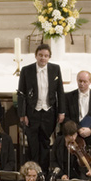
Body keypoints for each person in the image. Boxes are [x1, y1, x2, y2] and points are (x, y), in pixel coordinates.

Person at [17, 43, 65, 173]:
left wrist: (61, 111)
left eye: (46, 56)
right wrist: (23, 114)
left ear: (49, 57)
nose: (43, 58)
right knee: (33, 144)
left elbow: (60, 91)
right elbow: (21, 94)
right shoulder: (27, 70)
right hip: (32, 112)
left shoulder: (55, 69)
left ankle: (43, 172)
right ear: (36, 56)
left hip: (48, 113)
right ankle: (32, 172)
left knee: (45, 142)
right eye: (40, 55)